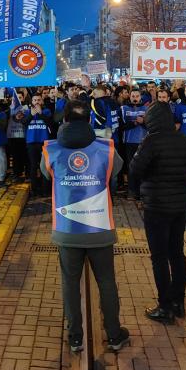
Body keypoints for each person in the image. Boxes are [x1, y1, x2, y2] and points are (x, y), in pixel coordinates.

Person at [41, 100, 129, 354]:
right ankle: (114, 335)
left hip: (67, 229)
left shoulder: (52, 150)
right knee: (106, 282)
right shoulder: (106, 150)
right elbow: (116, 171)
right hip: (99, 228)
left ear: (64, 121)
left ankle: (75, 337)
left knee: (70, 283)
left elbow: (46, 175)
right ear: (90, 121)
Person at [129, 101, 186, 324]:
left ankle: (165, 306)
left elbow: (135, 169)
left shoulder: (151, 141)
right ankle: (178, 301)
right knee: (177, 253)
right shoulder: (185, 141)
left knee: (159, 257)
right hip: (179, 207)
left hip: (156, 206)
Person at [120, 88, 148, 200]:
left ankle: (142, 192)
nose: (135, 98)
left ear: (140, 97)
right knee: (131, 168)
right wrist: (136, 123)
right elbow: (122, 126)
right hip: (129, 142)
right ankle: (132, 191)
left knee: (142, 167)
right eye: (133, 96)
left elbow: (150, 125)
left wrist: (143, 122)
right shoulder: (123, 108)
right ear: (129, 97)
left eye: (137, 96)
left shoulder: (147, 108)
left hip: (143, 142)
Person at [24, 93, 53, 197]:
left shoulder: (46, 111)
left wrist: (40, 114)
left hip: (44, 143)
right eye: (34, 100)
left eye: (38, 100)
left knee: (44, 166)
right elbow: (23, 123)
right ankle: (34, 189)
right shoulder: (27, 112)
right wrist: (31, 115)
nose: (36, 102)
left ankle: (45, 189)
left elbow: (50, 123)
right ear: (31, 102)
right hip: (31, 143)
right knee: (33, 166)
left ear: (42, 101)